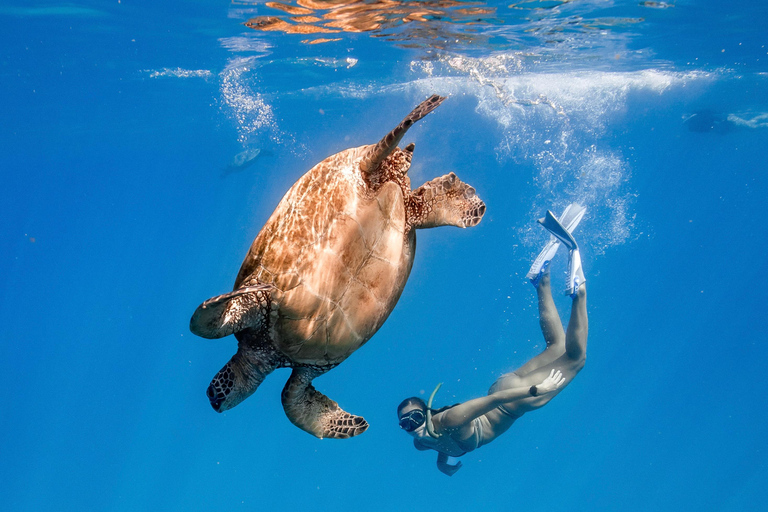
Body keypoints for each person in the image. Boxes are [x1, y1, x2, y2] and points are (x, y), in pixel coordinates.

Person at [397, 204, 589, 476]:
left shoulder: (451, 417)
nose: (412, 425)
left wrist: (537, 390)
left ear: (427, 413)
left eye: (416, 417)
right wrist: (444, 466)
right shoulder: (422, 443)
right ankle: (541, 281)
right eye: (406, 424)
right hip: (506, 387)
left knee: (576, 359)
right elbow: (443, 443)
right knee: (557, 347)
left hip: (513, 399)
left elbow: (493, 402)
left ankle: (579, 292)